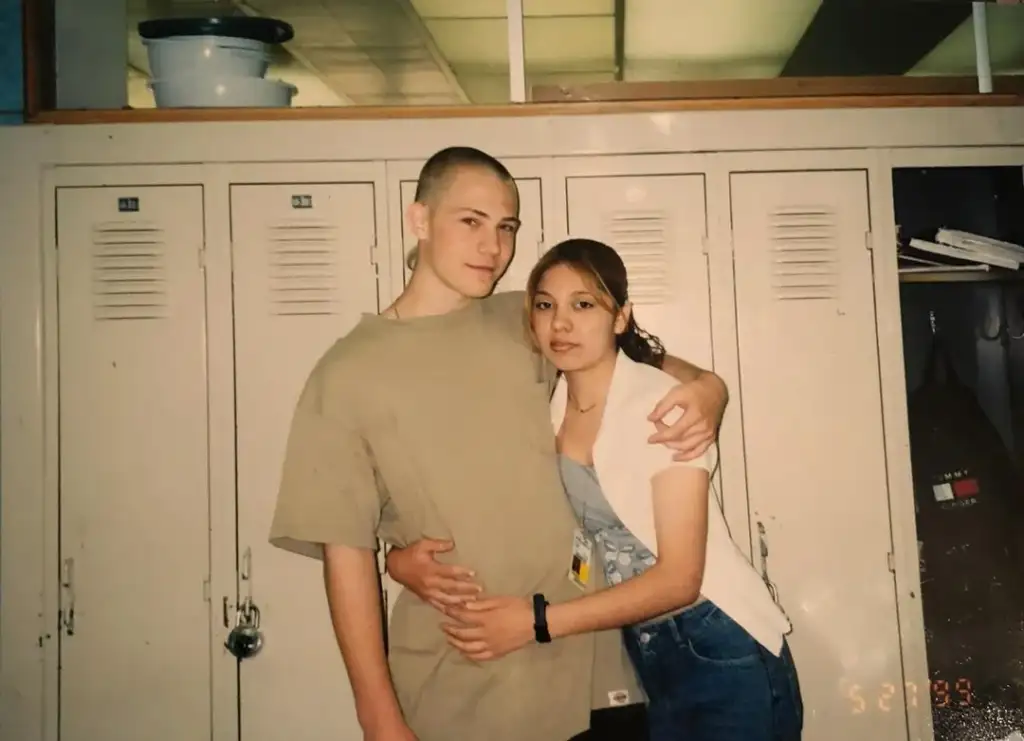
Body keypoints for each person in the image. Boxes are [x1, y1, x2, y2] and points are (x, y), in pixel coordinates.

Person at [268, 147, 729, 741]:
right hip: (464, 685)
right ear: (420, 220)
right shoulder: (346, 374)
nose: (493, 247)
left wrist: (711, 391)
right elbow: (346, 556)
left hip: (594, 670)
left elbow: (647, 363)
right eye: (471, 221)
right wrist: (379, 719)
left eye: (506, 227)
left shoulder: (525, 321)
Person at [393, 238, 804, 741]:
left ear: (620, 317)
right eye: (546, 305)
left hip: (719, 643)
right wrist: (399, 560)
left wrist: (537, 623)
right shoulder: (550, 401)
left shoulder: (661, 408)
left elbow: (681, 579)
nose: (561, 323)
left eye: (583, 304)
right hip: (646, 651)